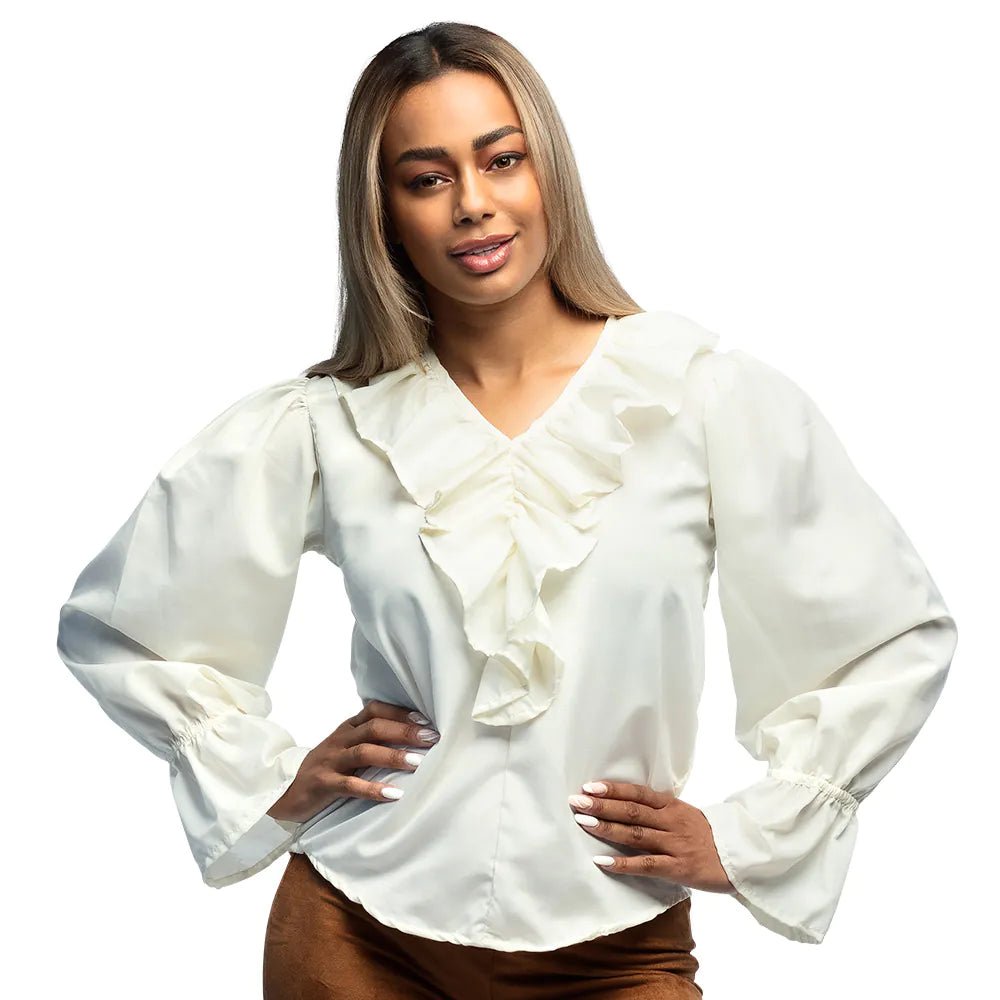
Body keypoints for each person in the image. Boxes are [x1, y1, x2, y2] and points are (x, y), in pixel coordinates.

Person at [55, 20, 958, 1000]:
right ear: (383, 211)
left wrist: (753, 834)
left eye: (501, 160)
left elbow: (885, 637)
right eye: (426, 177)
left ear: (547, 172)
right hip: (356, 931)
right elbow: (127, 627)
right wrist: (267, 776)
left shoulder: (701, 397)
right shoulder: (323, 424)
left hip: (615, 945)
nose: (473, 204)